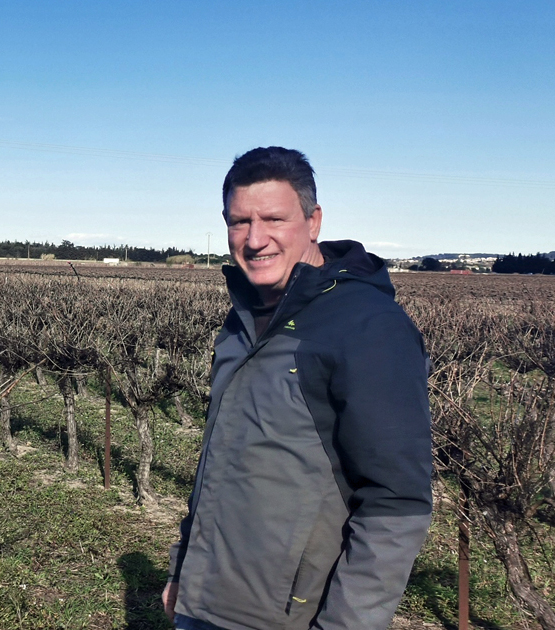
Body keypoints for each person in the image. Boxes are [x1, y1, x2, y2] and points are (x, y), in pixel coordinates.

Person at [162, 147, 433, 630]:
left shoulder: (368, 328)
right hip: (207, 603)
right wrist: (186, 569)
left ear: (313, 221)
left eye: (273, 219)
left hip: (290, 617)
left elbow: (396, 502)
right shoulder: (244, 319)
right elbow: (219, 462)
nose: (254, 239)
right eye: (239, 221)